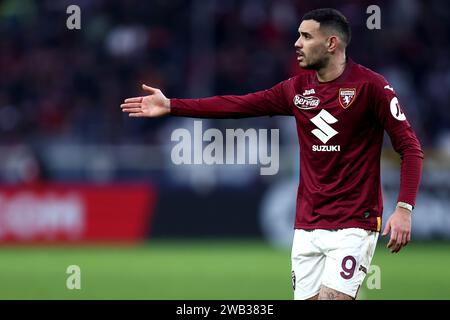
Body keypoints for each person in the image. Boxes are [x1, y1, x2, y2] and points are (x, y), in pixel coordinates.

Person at [120, 8, 423, 300]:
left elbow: (410, 147)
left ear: (332, 43)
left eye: (306, 36)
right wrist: (172, 105)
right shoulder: (295, 89)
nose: (297, 43)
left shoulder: (372, 87)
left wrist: (405, 208)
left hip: (355, 222)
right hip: (307, 224)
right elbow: (236, 105)